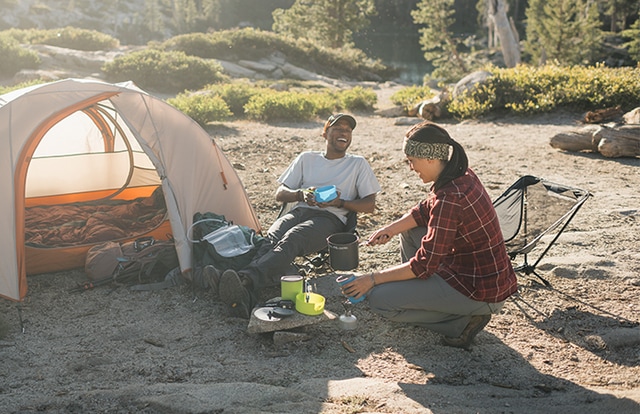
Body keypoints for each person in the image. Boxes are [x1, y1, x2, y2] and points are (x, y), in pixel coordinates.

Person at [342, 121, 517, 349]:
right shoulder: (460, 174)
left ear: (430, 159)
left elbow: (423, 265)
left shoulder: (450, 198)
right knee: (409, 229)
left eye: (412, 161)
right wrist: (390, 229)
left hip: (480, 292)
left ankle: (458, 323)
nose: (411, 168)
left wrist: (373, 279)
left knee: (380, 300)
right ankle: (421, 293)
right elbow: (424, 210)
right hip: (474, 273)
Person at [208, 113, 381, 318]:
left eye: (348, 130)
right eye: (338, 129)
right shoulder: (307, 158)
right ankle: (242, 289)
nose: (344, 133)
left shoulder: (357, 164)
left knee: (293, 238)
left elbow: (370, 205)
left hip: (330, 219)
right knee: (271, 238)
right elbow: (279, 194)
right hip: (300, 210)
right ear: (325, 133)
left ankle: (243, 279)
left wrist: (339, 202)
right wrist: (302, 194)